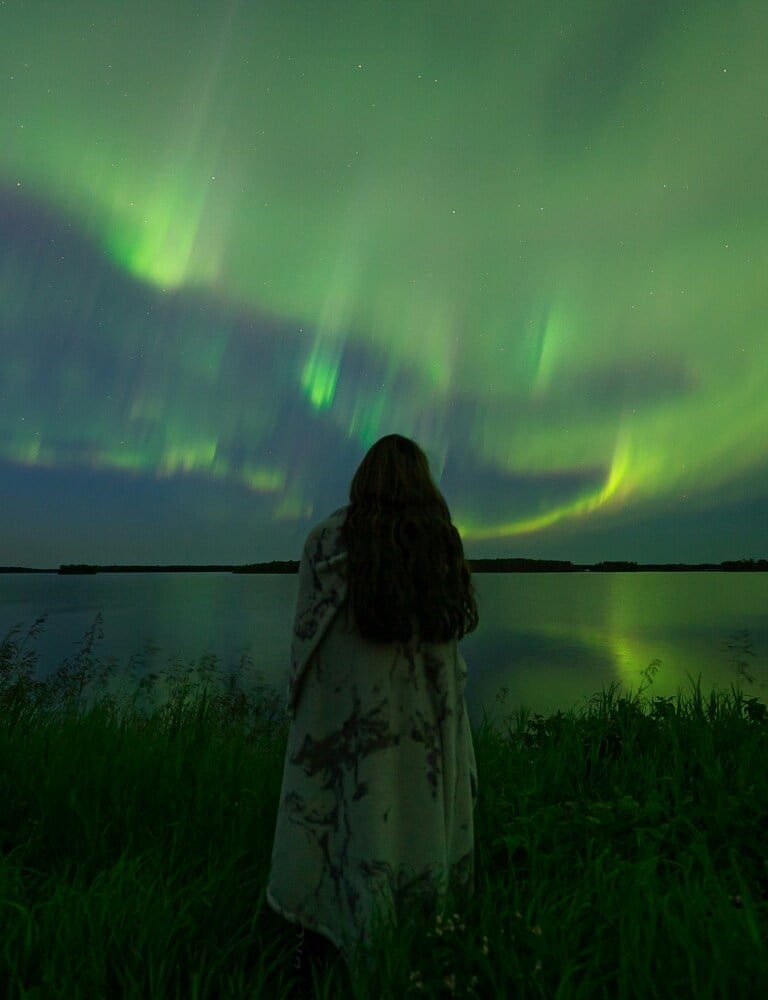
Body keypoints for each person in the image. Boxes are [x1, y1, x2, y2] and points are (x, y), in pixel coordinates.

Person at [265, 433, 479, 985]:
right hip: (422, 740)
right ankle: (411, 957)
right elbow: (448, 663)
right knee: (411, 831)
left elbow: (307, 650)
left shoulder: (326, 544)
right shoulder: (441, 548)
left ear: (363, 480)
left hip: (345, 736)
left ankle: (318, 962)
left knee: (339, 834)